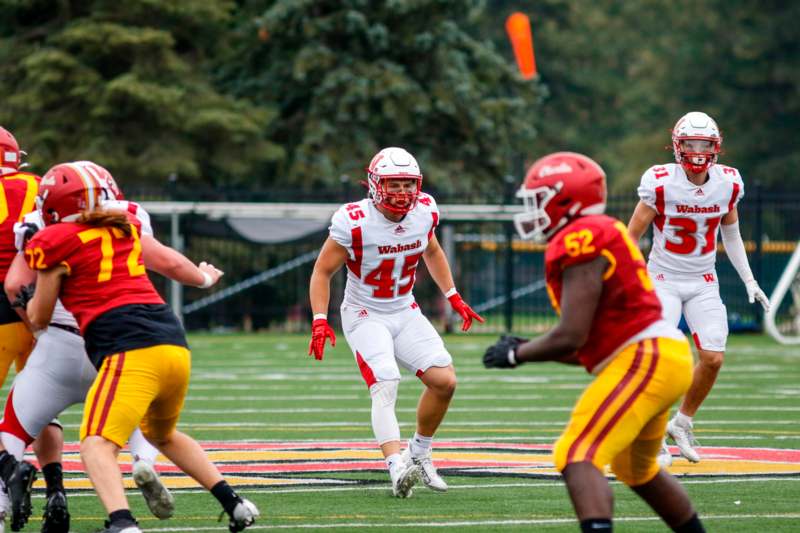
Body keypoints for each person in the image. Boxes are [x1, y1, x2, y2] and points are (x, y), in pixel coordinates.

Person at [19, 163, 259, 533]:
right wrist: (206, 276)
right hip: (173, 343)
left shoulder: (53, 241)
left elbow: (42, 315)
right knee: (162, 434)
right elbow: (171, 262)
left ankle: (123, 524)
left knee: (95, 444)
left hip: (128, 346)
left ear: (52, 205)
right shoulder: (125, 227)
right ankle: (236, 503)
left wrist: (28, 301)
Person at [483, 152, 705, 532]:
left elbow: (571, 334)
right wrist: (530, 345)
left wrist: (517, 354)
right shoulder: (602, 231)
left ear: (564, 198)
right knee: (636, 469)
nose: (534, 209)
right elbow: (586, 344)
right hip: (659, 356)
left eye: (540, 198)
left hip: (646, 358)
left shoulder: (580, 237)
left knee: (575, 452)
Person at [308, 147, 483, 498]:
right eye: (394, 184)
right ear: (375, 185)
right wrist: (319, 318)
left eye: (408, 184)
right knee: (386, 380)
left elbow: (431, 251)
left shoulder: (424, 211)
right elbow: (322, 271)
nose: (402, 193)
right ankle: (396, 468)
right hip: (364, 313)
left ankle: (418, 453)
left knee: (444, 381)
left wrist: (452, 295)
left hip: (404, 309)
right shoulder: (354, 221)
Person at [627, 111, 769, 465]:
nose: (697, 151)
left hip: (704, 280)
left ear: (716, 146)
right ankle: (653, 431)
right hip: (662, 279)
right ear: (677, 145)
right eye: (690, 143)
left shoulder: (728, 183)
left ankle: (682, 421)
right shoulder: (660, 182)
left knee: (713, 357)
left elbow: (731, 234)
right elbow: (632, 234)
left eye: (704, 144)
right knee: (661, 360)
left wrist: (749, 279)